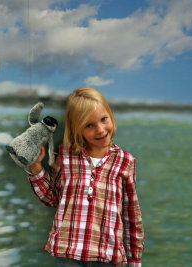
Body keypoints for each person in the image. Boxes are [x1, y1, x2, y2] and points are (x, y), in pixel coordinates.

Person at [27, 87, 144, 267]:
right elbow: (52, 199)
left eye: (104, 119)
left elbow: (131, 216)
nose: (100, 130)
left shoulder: (125, 161)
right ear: (77, 129)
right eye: (89, 125)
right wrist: (35, 167)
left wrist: (134, 260)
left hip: (106, 257)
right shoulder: (65, 155)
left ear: (111, 115)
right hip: (68, 255)